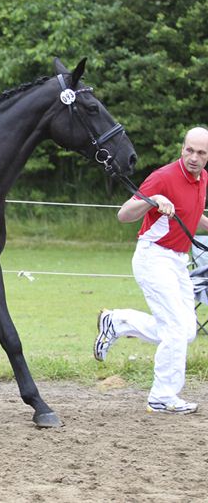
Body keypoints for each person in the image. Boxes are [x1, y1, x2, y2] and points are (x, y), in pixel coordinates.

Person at [95, 126, 208, 415]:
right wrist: (154, 200)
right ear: (182, 148)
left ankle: (117, 321)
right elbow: (124, 214)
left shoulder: (203, 178)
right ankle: (162, 396)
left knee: (186, 332)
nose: (194, 157)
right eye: (189, 150)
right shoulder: (163, 177)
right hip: (154, 258)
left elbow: (190, 214)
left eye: (201, 153)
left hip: (178, 261)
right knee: (175, 329)